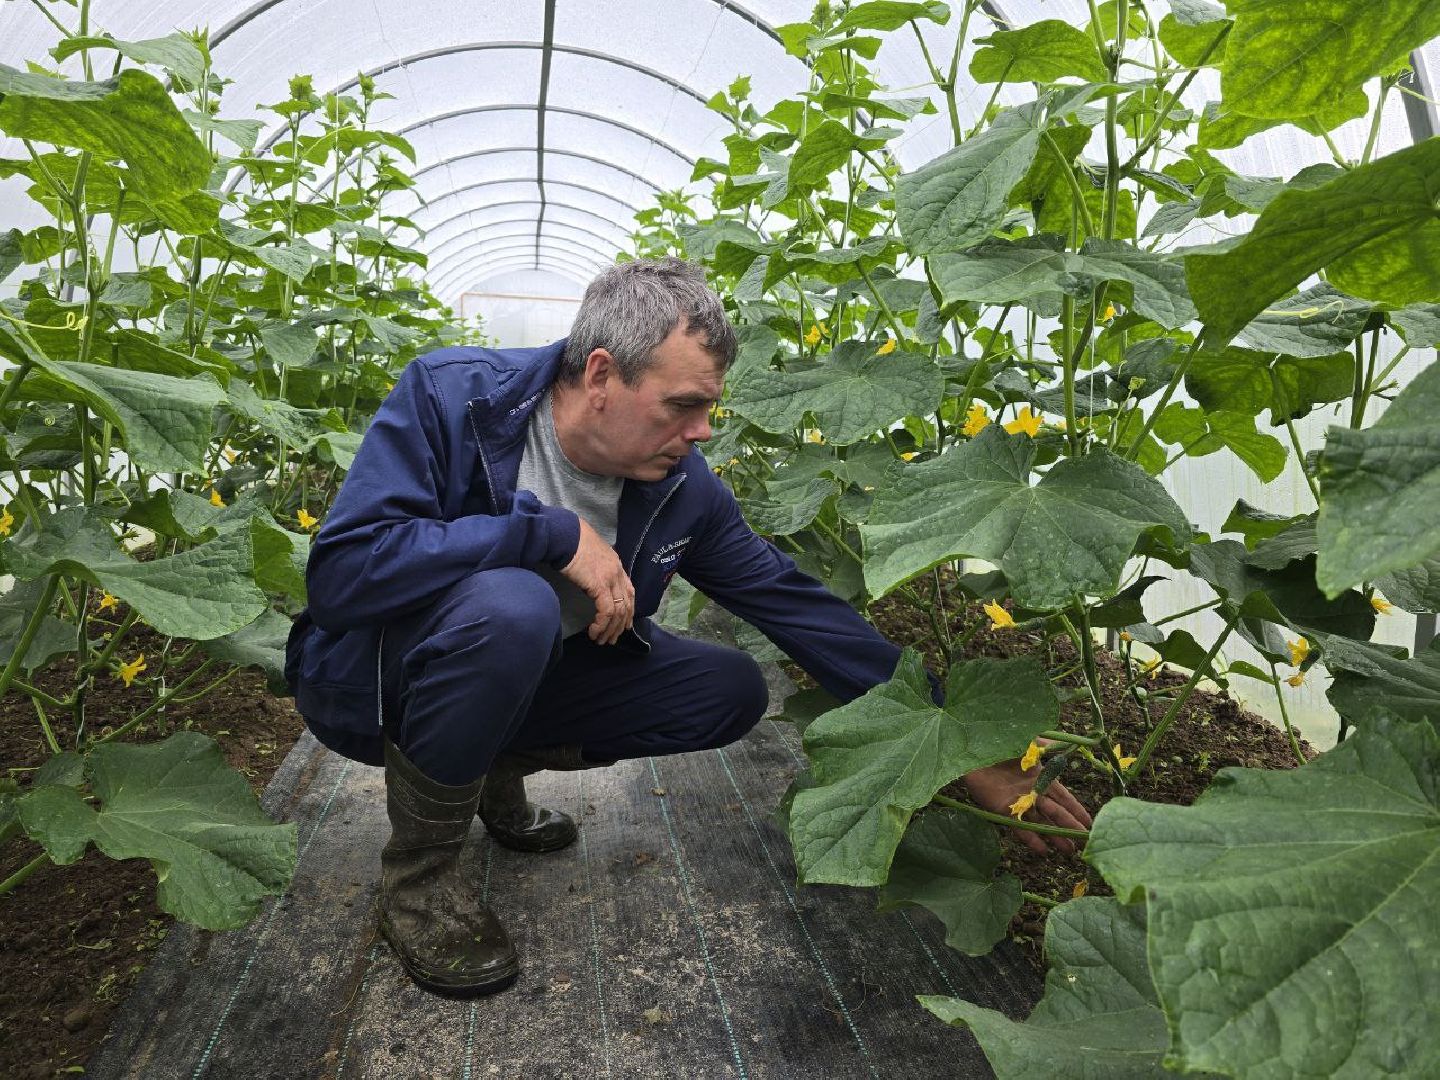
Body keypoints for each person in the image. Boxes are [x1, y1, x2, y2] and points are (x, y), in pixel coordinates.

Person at [284, 257, 1091, 999]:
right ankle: (419, 881)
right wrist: (548, 534)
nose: (703, 430)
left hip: (515, 678)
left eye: (709, 406)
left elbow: (792, 603)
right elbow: (343, 574)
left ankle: (486, 764)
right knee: (515, 604)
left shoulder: (683, 487)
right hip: (372, 688)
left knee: (728, 688)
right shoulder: (451, 398)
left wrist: (959, 742)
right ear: (601, 374)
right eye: (685, 406)